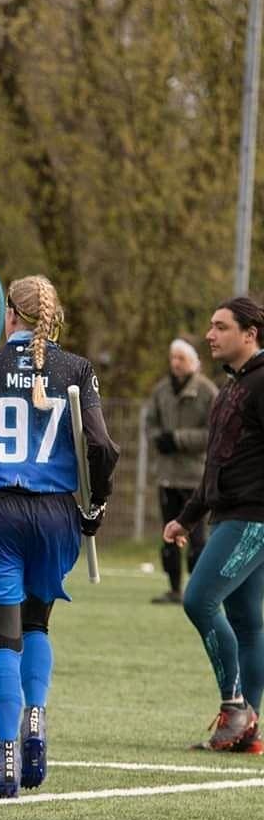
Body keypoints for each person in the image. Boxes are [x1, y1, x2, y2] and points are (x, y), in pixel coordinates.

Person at [0, 275, 119, 797]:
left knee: (5, 636)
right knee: (39, 623)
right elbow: (104, 448)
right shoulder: (77, 368)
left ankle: (5, 761)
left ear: (10, 315)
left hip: (0, 510)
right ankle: (36, 725)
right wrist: (97, 503)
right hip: (56, 515)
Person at [163, 296, 264, 755]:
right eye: (210, 326)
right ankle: (246, 730)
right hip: (230, 513)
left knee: (199, 599)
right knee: (247, 622)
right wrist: (186, 518)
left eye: (221, 327)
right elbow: (214, 467)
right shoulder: (229, 389)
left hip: (253, 518)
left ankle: (235, 708)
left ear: (251, 333)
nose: (210, 335)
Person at [145, 338, 218, 604]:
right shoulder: (161, 391)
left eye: (181, 358)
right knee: (168, 537)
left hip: (195, 478)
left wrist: (177, 439)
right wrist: (157, 439)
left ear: (193, 362)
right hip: (167, 476)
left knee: (197, 538)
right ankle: (174, 588)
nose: (175, 363)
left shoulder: (208, 392)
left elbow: (214, 434)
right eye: (172, 357)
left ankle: (199, 590)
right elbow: (150, 422)